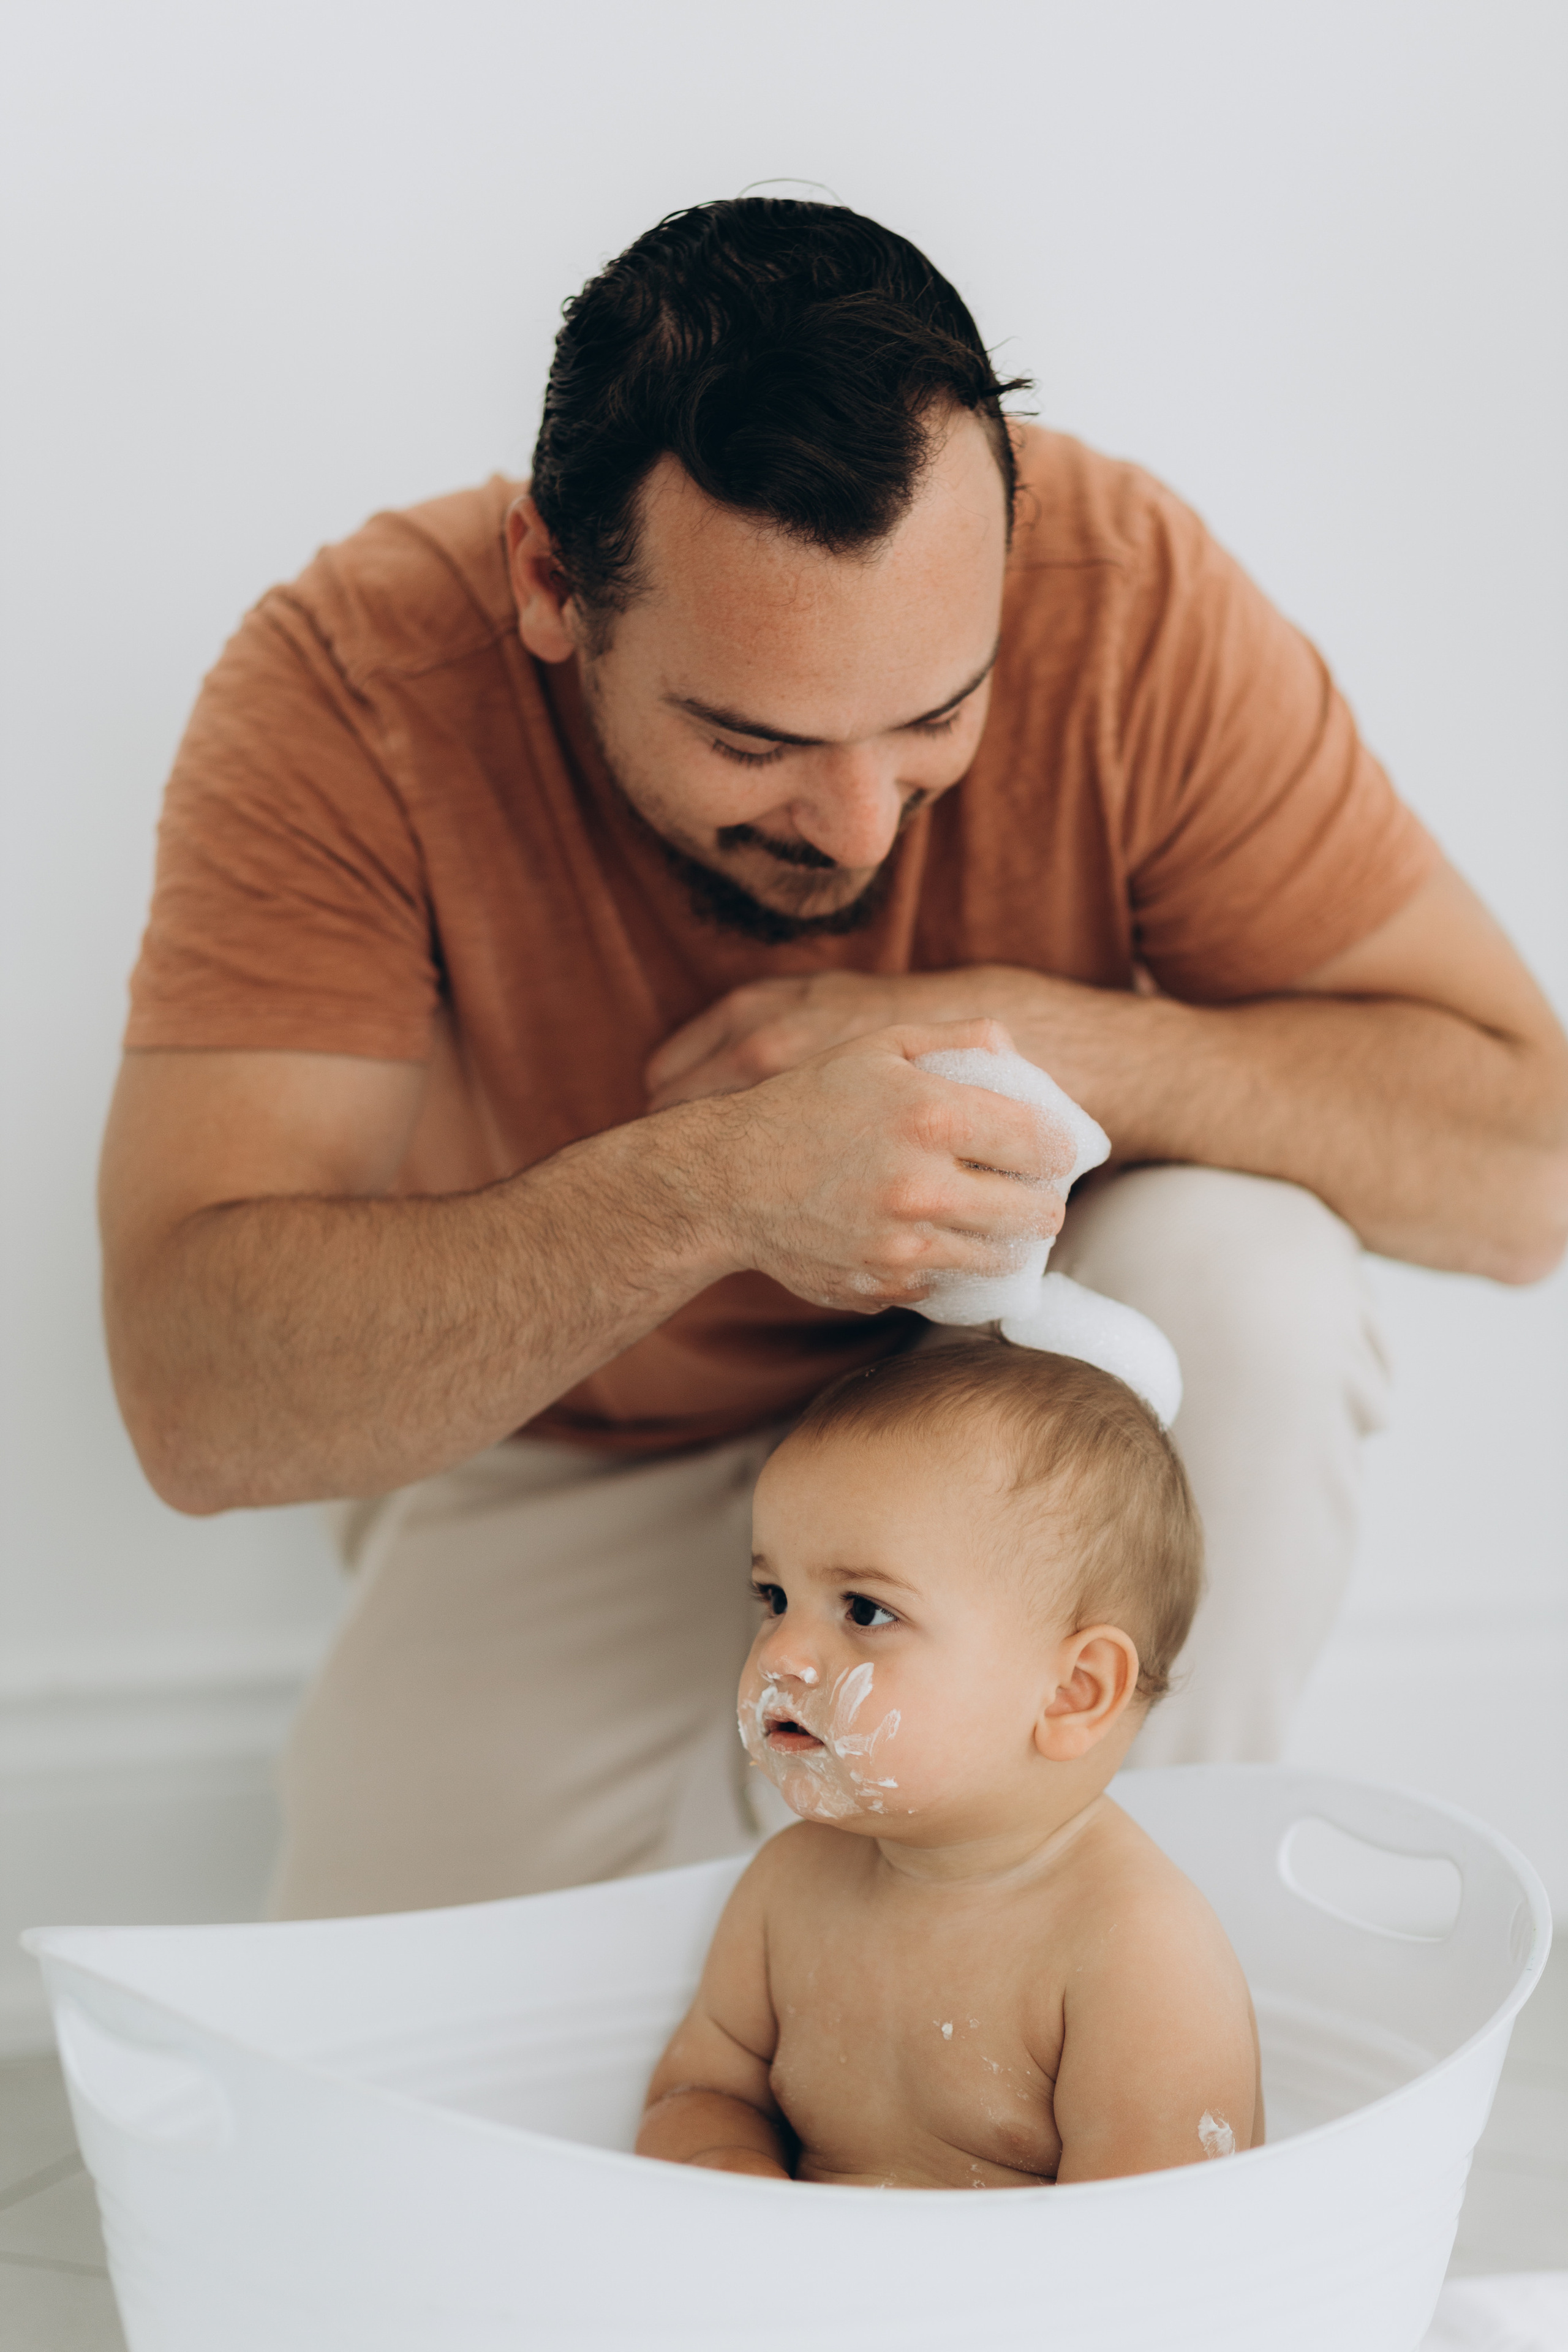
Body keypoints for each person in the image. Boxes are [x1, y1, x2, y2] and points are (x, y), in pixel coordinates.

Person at [98, 199, 1568, 1920]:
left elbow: (1526, 1172)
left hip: (1006, 1397)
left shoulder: (1130, 588)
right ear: (552, 586)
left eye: (938, 717)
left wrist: (1020, 1033)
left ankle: (1108, 1962)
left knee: (1251, 1278)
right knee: (385, 2072)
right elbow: (196, 1403)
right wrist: (714, 1185)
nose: (859, 829)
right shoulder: (351, 684)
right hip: (597, 1453)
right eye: (754, 739)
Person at [637, 1339, 1262, 2188]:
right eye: (774, 1598)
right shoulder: (786, 1890)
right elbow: (700, 2090)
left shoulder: (1134, 1952)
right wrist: (734, 2173)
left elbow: (1148, 2274)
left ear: (1073, 1693)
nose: (783, 1653)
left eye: (865, 1609)